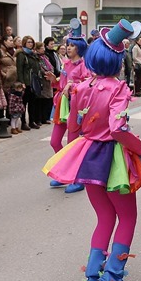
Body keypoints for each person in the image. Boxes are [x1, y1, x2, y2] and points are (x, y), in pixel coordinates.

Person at [43, 19, 141, 281]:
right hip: (113, 157)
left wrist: (76, 154)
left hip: (88, 154)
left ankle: (93, 279)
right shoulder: (118, 88)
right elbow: (118, 129)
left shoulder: (80, 87)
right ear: (118, 59)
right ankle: (114, 275)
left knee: (104, 217)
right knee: (128, 217)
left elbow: (73, 126)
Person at [48, 22, 91, 194]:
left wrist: (73, 86)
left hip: (76, 106)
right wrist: (54, 80)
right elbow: (61, 84)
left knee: (72, 144)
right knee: (54, 141)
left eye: (72, 45)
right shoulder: (65, 64)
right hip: (62, 104)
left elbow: (88, 85)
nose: (69, 48)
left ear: (79, 47)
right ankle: (64, 172)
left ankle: (78, 178)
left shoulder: (84, 65)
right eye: (68, 45)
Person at [15, 35, 41, 130]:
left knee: (32, 103)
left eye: (32, 42)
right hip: (26, 82)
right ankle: (23, 122)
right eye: (29, 42)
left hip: (34, 81)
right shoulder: (21, 54)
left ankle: (32, 121)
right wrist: (22, 82)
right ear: (24, 43)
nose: (30, 44)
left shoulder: (33, 54)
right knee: (24, 103)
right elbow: (19, 70)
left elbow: (37, 67)